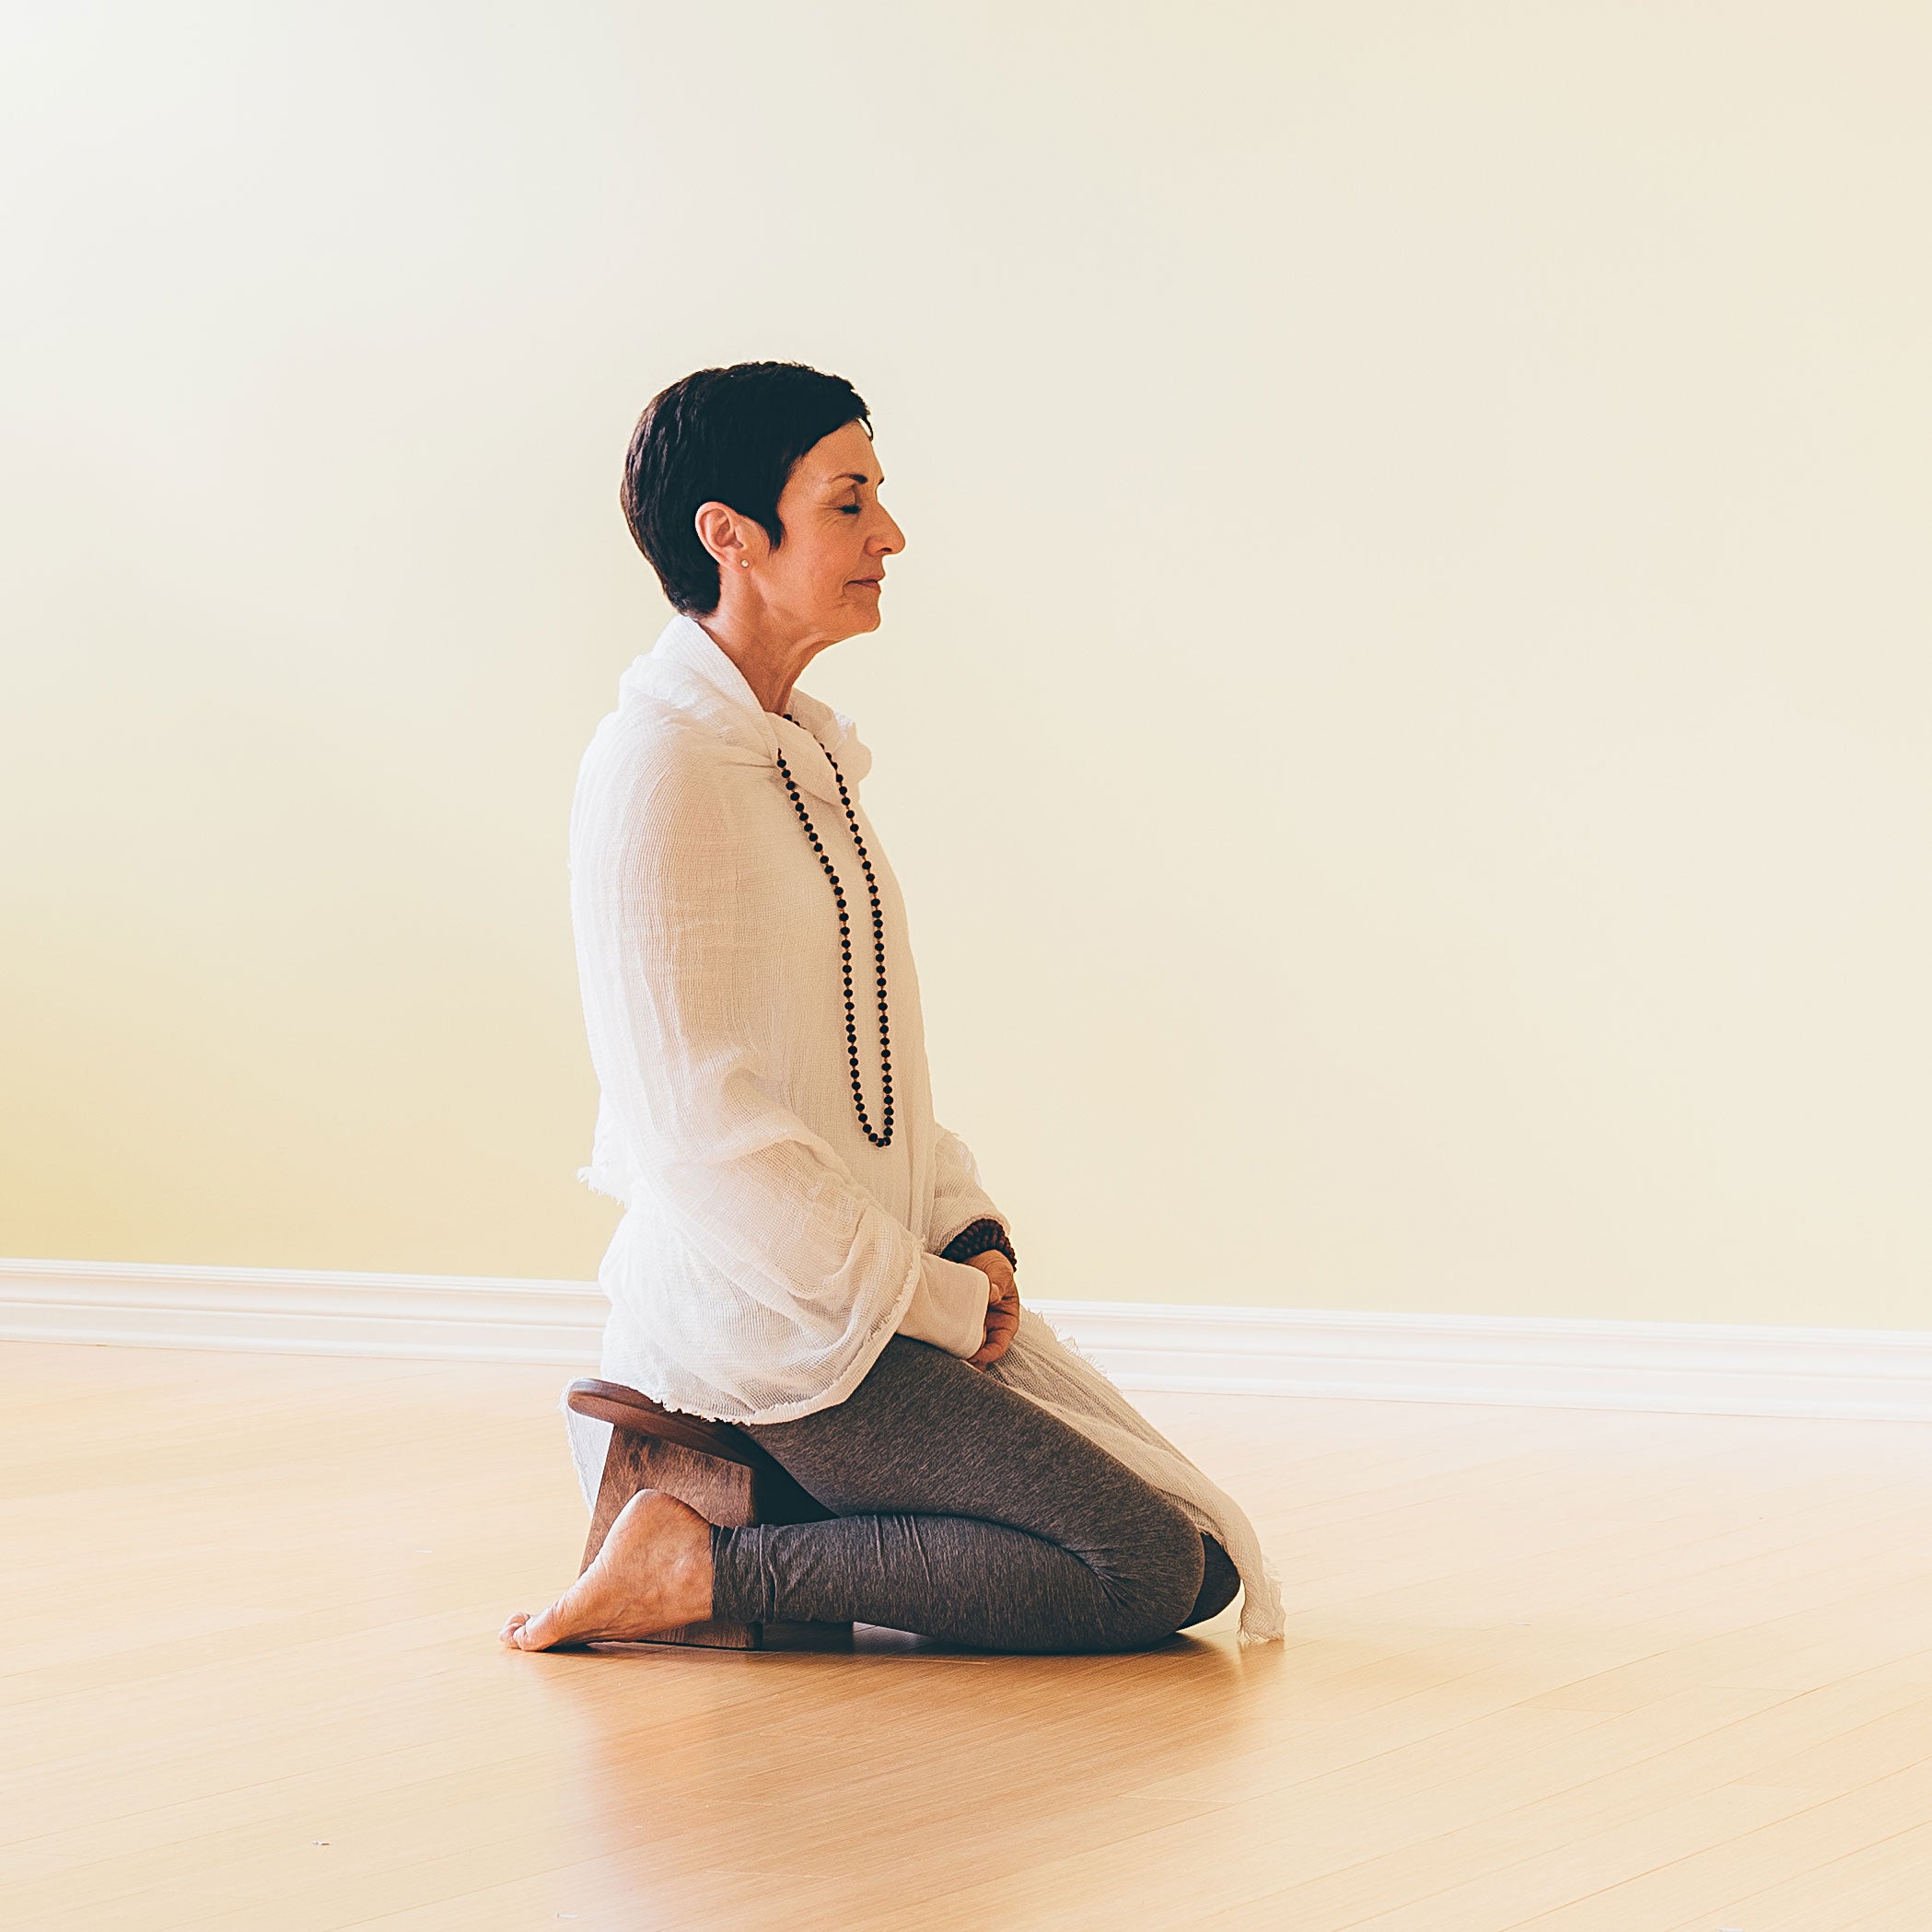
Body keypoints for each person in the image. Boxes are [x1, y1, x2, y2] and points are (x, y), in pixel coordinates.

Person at [500, 361, 1283, 1655]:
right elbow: (700, 1139)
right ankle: (697, 1567)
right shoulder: (657, 767)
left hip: (870, 1298)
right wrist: (930, 1299)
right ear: (729, 535)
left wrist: (967, 1234)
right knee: (1140, 1567)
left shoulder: (799, 754)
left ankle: (784, 1529)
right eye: (849, 501)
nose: (891, 535)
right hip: (770, 1328)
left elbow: (872, 1069)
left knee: (1195, 1555)